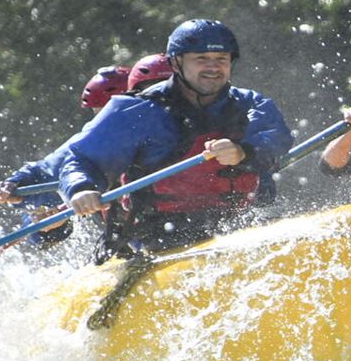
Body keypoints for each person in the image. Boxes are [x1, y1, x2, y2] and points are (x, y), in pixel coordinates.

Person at [58, 19, 293, 261]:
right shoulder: (134, 110)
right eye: (201, 59)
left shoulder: (250, 102)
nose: (213, 67)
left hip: (241, 221)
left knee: (272, 216)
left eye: (221, 59)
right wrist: (81, 187)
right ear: (176, 63)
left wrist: (244, 152)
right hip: (165, 235)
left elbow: (277, 137)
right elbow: (80, 158)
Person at [0, 64, 131, 245]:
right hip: (127, 242)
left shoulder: (162, 128)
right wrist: (14, 185)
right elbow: (42, 174)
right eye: (97, 117)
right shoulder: (87, 147)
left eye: (107, 115)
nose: (102, 125)